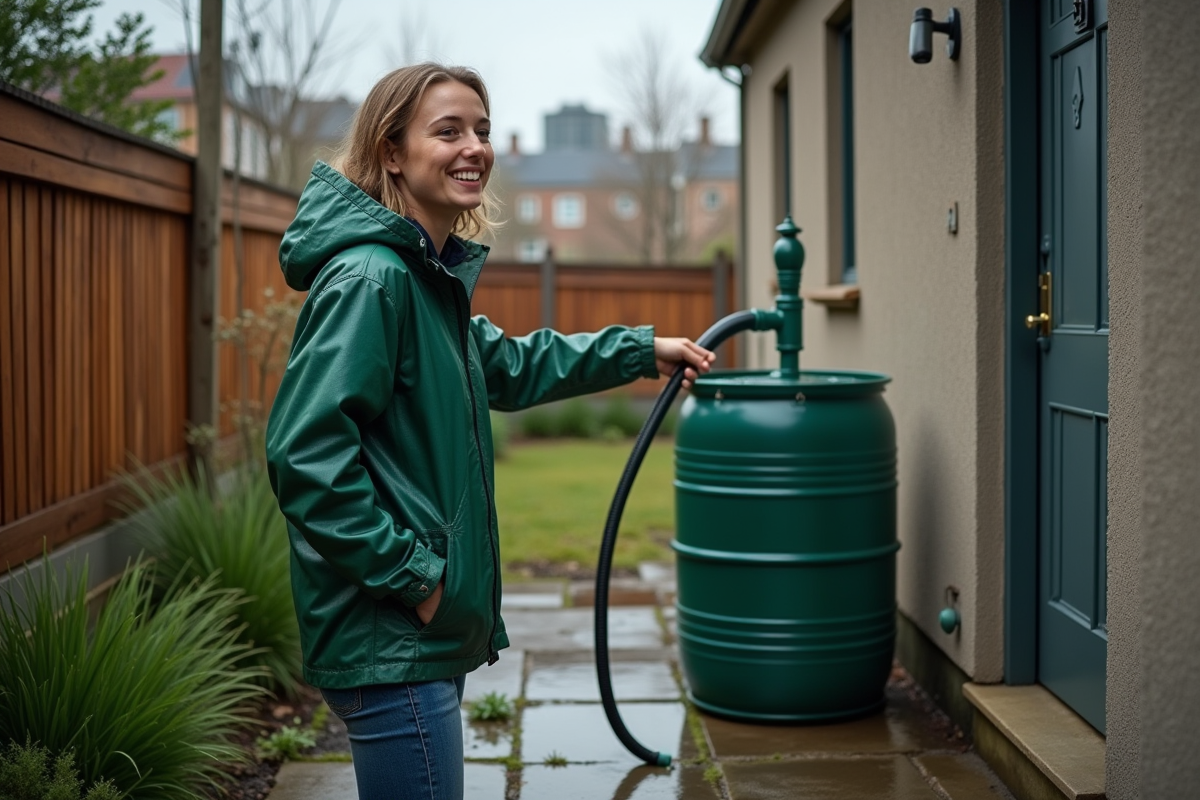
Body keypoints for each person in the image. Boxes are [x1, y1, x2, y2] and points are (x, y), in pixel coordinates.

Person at [265, 62, 714, 800]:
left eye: (481, 128)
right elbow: (306, 456)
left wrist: (640, 350)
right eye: (447, 130)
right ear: (391, 151)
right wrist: (414, 578)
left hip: (413, 636)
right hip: (392, 637)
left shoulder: (419, 277)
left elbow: (506, 361)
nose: (474, 145)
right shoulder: (374, 280)